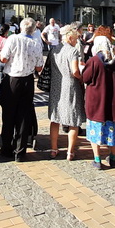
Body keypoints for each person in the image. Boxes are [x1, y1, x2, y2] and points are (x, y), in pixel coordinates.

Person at [0, 17, 45, 161]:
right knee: (24, 115)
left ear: (20, 27)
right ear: (34, 29)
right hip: (28, 80)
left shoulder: (13, 39)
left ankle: (6, 148)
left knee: (8, 114)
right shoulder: (36, 43)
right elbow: (39, 67)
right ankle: (20, 151)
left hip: (12, 78)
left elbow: (4, 59)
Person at [83, 40, 115, 169]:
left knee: (94, 130)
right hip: (113, 102)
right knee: (113, 130)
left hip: (96, 102)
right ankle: (113, 158)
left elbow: (85, 78)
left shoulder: (93, 61)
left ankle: (97, 159)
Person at [48, 27, 85, 160]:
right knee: (73, 119)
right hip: (70, 85)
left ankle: (53, 149)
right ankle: (70, 151)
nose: (76, 41)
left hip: (56, 85)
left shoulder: (54, 49)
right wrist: (81, 77)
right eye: (76, 39)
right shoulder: (72, 51)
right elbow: (75, 71)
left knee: (55, 118)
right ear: (70, 38)